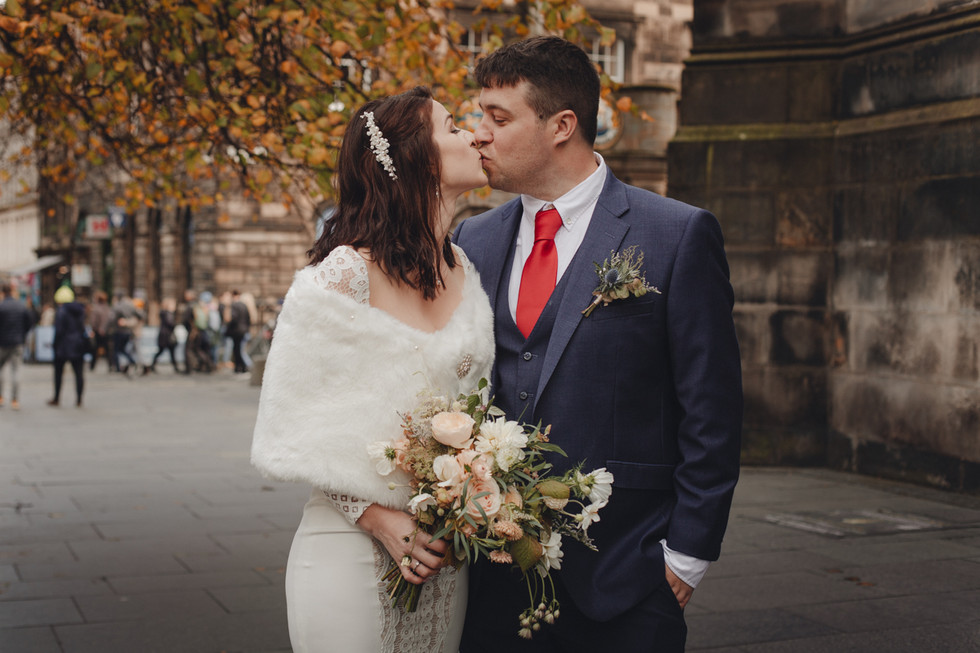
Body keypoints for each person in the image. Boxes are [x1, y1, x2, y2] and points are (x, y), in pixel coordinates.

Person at [453, 36, 743, 652]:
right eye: (479, 116)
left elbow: (711, 409)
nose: (478, 133)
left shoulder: (675, 234)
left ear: (562, 125)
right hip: (490, 580)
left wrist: (686, 556)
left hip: (627, 575)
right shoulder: (473, 240)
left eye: (497, 118)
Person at [250, 86, 494, 653]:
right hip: (349, 547)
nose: (474, 134)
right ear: (415, 157)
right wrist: (377, 518)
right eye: (453, 125)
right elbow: (293, 420)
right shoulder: (342, 274)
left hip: (441, 559)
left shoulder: (466, 271)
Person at [48, 286, 88, 408]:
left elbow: (59, 331)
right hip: (77, 345)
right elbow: (82, 328)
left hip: (63, 346)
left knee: (59, 373)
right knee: (79, 374)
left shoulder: (62, 311)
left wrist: (54, 345)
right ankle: (79, 399)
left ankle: (56, 398)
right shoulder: (80, 310)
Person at [0, 281, 35, 410]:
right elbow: (29, 322)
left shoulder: (1, 306)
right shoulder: (21, 306)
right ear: (13, 292)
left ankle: (1, 397)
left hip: (2, 343)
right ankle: (15, 399)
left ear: (3, 292)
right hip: (17, 343)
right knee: (16, 370)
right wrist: (22, 335)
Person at [148, 297, 180, 373]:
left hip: (164, 335)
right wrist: (175, 324)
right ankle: (152, 365)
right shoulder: (168, 314)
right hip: (166, 336)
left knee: (166, 352)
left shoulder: (165, 313)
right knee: (165, 351)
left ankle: (153, 365)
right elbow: (171, 324)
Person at [225, 290, 251, 373]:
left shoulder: (234, 305)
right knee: (240, 349)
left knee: (237, 349)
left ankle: (239, 366)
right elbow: (248, 318)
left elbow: (233, 318)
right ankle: (242, 366)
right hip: (243, 330)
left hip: (236, 331)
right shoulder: (244, 305)